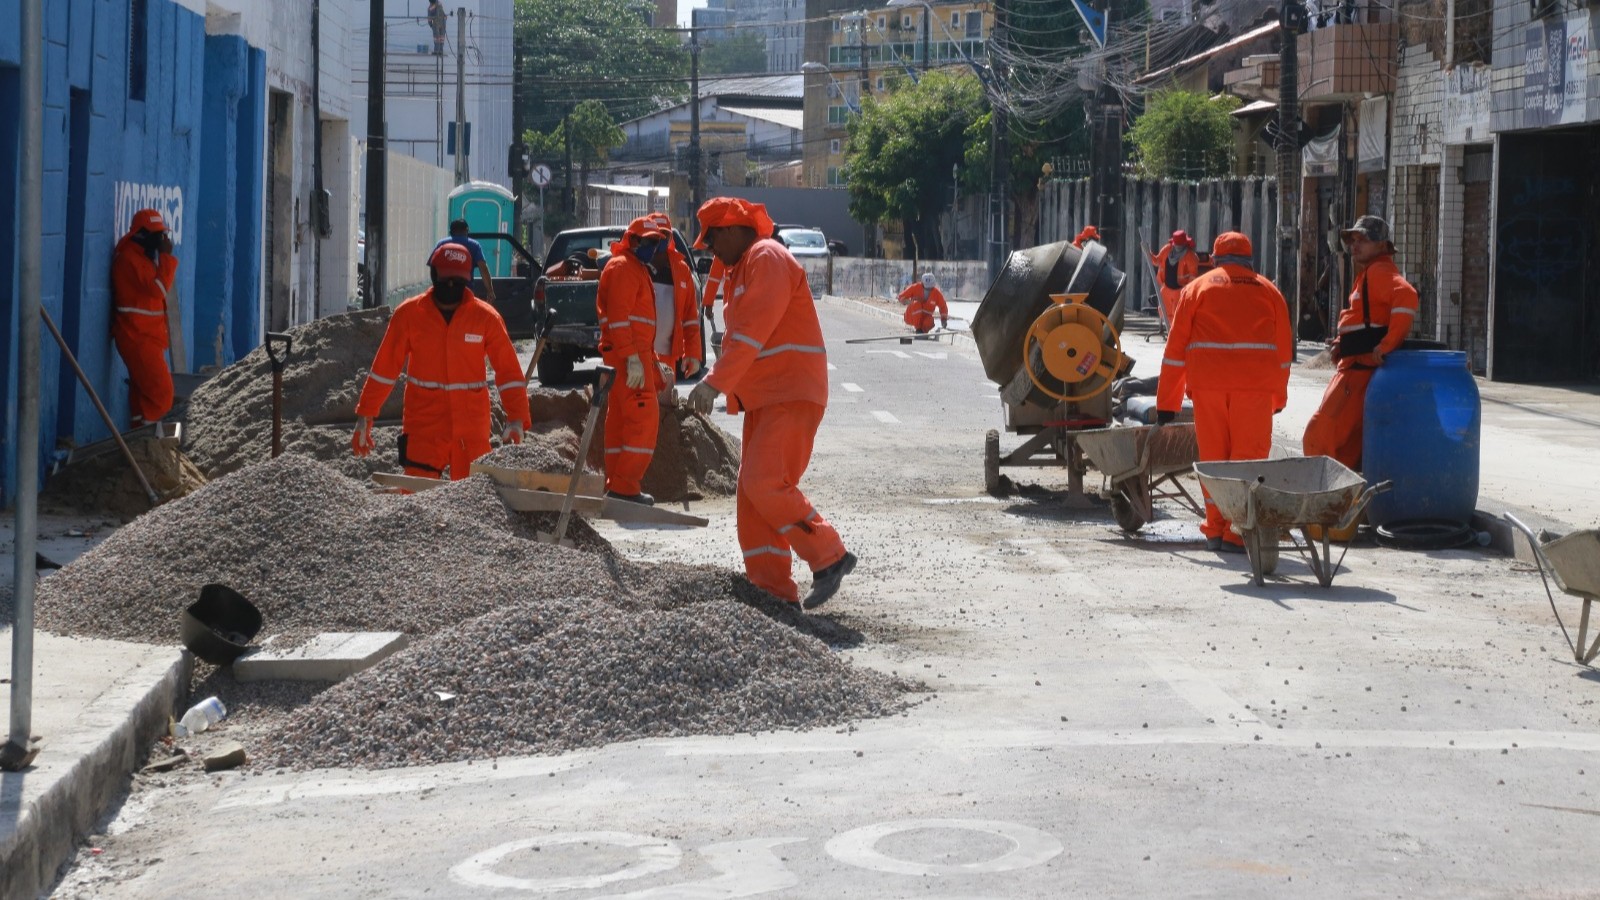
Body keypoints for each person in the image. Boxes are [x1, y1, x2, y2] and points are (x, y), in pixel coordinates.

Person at [685, 197, 856, 610]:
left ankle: (829, 555)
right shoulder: (743, 267)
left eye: (711, 241)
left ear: (729, 230)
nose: (711, 251)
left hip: (790, 393)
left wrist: (714, 382)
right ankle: (772, 592)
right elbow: (746, 334)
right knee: (752, 495)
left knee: (765, 483)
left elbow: (753, 331)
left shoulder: (767, 257)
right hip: (768, 397)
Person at [1155, 232, 1293, 553]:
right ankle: (1235, 532)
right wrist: (1278, 398)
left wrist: (1167, 402)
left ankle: (1214, 530)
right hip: (1255, 391)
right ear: (1249, 259)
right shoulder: (1269, 291)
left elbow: (1175, 351)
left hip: (1208, 388)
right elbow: (1283, 353)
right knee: (1247, 459)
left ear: (1214, 260)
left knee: (1214, 459)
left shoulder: (1196, 289)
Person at [352, 243, 530, 479]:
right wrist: (365, 414)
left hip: (471, 430)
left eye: (456, 281)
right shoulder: (409, 315)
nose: (449, 285)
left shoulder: (486, 319)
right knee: (418, 501)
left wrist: (516, 418)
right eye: (446, 279)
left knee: (471, 502)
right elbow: (384, 369)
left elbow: (508, 372)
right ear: (434, 275)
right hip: (424, 428)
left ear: (467, 280)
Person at [1303, 215, 1419, 471]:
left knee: (1318, 437)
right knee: (1349, 448)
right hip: (1356, 368)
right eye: (1353, 240)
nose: (1355, 245)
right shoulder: (1369, 273)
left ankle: (1322, 492)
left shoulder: (1379, 272)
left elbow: (1407, 296)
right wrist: (1342, 343)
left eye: (1363, 240)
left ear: (1382, 245)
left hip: (1358, 374)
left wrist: (1386, 346)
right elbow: (1365, 319)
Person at [595, 216, 671, 505]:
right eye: (650, 242)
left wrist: (649, 360)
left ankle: (617, 484)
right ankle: (625, 488)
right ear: (634, 240)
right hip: (628, 356)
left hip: (630, 355)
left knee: (622, 420)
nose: (654, 247)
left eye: (657, 243)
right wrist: (632, 358)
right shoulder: (624, 268)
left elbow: (637, 324)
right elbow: (619, 317)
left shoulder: (633, 268)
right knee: (642, 419)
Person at [111, 208, 178, 428]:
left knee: (143, 398)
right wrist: (167, 257)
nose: (161, 240)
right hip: (137, 338)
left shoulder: (143, 258)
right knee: (162, 394)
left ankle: (138, 442)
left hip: (148, 337)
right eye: (157, 235)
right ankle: (149, 442)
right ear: (141, 234)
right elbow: (157, 290)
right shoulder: (129, 258)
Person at [644, 212, 705, 386]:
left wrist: (693, 354)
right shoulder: (636, 265)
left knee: (664, 403)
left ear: (671, 237)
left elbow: (690, 318)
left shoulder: (681, 269)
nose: (661, 239)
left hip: (667, 356)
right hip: (639, 353)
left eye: (665, 234)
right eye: (657, 235)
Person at [434, 219, 496, 303]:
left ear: (451, 231)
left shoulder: (441, 244)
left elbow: (434, 267)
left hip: (444, 292)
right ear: (466, 230)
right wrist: (490, 291)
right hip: (466, 292)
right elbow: (483, 269)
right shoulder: (474, 245)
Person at [1149, 229, 1200, 327]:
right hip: (1166, 288)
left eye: (1179, 245)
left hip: (1180, 290)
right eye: (1176, 244)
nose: (1177, 247)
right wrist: (1148, 253)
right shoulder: (1167, 250)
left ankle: (1174, 334)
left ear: (1185, 244)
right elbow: (1156, 261)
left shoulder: (1191, 256)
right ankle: (1170, 334)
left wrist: (1186, 291)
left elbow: (1193, 276)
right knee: (1164, 311)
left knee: (1178, 315)